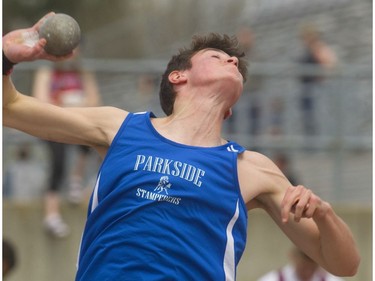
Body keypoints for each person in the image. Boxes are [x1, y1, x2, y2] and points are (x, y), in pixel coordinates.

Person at [3, 13, 360, 280]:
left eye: (235, 61)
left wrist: (325, 215)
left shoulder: (250, 169)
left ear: (231, 107)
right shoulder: (120, 128)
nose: (233, 59)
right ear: (178, 76)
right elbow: (11, 108)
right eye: (217, 56)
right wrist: (6, 56)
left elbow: (344, 264)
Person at [31, 49, 101, 238]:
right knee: (58, 164)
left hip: (76, 121)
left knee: (91, 140)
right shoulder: (47, 71)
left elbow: (94, 100)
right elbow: (41, 101)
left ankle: (76, 182)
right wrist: (69, 104)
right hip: (54, 124)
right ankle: (51, 214)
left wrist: (69, 105)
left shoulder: (83, 72)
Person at [298, 24, 337, 135]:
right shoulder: (308, 50)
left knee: (317, 118)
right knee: (309, 118)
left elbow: (330, 65)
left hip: (317, 90)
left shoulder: (318, 48)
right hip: (307, 90)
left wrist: (322, 77)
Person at [257, 247, 344, 281]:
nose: (308, 270)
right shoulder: (271, 279)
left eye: (313, 264)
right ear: (293, 256)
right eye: (304, 264)